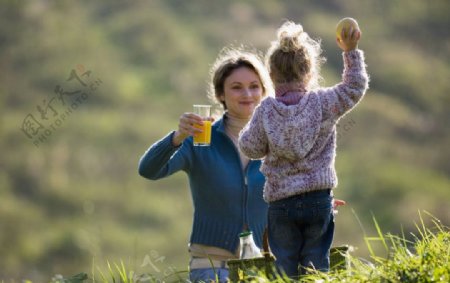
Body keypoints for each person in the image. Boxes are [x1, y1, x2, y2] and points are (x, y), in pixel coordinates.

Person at [238, 21, 369, 278]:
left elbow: (249, 147)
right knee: (316, 263)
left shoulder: (265, 111)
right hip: (318, 200)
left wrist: (257, 132)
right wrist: (350, 51)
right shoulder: (323, 103)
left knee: (285, 267)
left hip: (281, 202)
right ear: (309, 73)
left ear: (271, 75)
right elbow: (354, 87)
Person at [138, 47, 273, 282]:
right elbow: (148, 170)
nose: (247, 94)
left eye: (254, 86)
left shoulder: (276, 140)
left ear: (263, 91)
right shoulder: (201, 139)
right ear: (221, 94)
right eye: (236, 87)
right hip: (210, 266)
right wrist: (177, 137)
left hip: (265, 265)